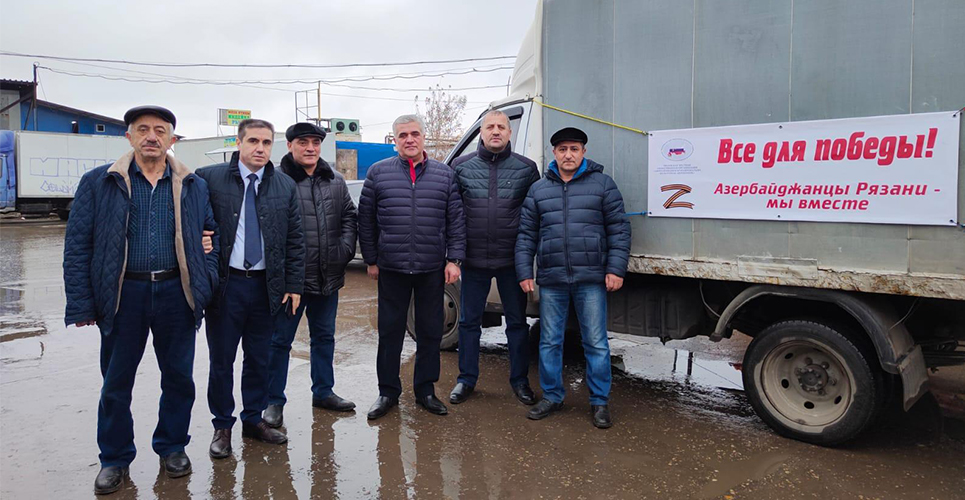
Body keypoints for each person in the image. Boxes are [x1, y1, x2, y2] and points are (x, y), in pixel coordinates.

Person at [63, 105, 219, 495]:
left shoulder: (193, 184)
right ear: (129, 136)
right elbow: (78, 245)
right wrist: (82, 303)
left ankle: (173, 447)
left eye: (160, 130)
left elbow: (211, 236)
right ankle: (114, 458)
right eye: (143, 129)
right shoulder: (99, 182)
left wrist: (205, 282)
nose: (152, 136)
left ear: (172, 139)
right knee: (116, 383)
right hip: (123, 295)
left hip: (176, 293)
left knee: (179, 378)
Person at [196, 119, 305, 458]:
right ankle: (222, 426)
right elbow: (191, 222)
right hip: (226, 287)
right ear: (239, 143)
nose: (260, 148)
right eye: (253, 141)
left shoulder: (284, 185)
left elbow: (295, 239)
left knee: (259, 359)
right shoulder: (208, 178)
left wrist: (293, 284)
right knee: (222, 360)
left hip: (265, 288)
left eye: (266, 142)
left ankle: (254, 419)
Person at [515, 126, 631, 429]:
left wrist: (615, 269)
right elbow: (526, 235)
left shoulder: (603, 185)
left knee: (595, 343)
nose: (568, 154)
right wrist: (525, 271)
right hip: (552, 279)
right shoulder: (539, 189)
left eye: (574, 149)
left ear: (583, 152)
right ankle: (552, 396)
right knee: (549, 342)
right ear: (554, 153)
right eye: (563, 149)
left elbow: (618, 229)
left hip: (590, 278)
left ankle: (599, 402)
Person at [358, 114, 466, 420]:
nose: (409, 139)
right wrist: (371, 259)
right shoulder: (378, 173)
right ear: (395, 141)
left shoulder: (444, 175)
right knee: (390, 332)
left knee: (430, 331)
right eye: (403, 135)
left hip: (431, 268)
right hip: (391, 267)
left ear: (423, 137)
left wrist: (454, 260)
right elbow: (365, 219)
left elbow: (456, 220)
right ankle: (387, 392)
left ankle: (425, 391)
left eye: (414, 134)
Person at [263, 122, 358, 428]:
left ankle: (323, 391)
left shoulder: (335, 181)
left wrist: (343, 250)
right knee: (280, 341)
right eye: (303, 142)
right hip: (291, 280)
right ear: (290, 145)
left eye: (315, 142)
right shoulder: (276, 181)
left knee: (324, 337)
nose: (310, 148)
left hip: (327, 275)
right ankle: (273, 401)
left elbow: (349, 216)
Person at [448, 110, 540, 405]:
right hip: (474, 260)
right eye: (490, 127)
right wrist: (454, 256)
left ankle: (520, 381)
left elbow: (533, 217)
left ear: (510, 133)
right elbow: (453, 215)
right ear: (482, 132)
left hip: (512, 261)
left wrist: (528, 259)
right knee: (468, 323)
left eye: (502, 127)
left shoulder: (526, 169)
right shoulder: (461, 167)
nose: (496, 131)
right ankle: (466, 380)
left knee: (517, 324)